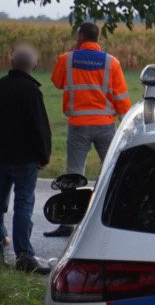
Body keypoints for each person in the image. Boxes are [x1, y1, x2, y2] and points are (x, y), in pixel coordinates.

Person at [47, 23, 131, 236]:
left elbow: (57, 82)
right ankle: (119, 219)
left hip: (78, 126)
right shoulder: (111, 62)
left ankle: (68, 224)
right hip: (105, 125)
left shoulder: (66, 59)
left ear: (81, 36)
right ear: (97, 38)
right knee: (113, 170)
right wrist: (127, 121)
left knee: (74, 173)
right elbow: (120, 96)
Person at [0, 45, 53, 273]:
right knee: (23, 204)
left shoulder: (1, 86)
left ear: (12, 63)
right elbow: (38, 128)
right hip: (24, 160)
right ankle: (24, 256)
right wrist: (43, 156)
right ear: (34, 65)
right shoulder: (31, 91)